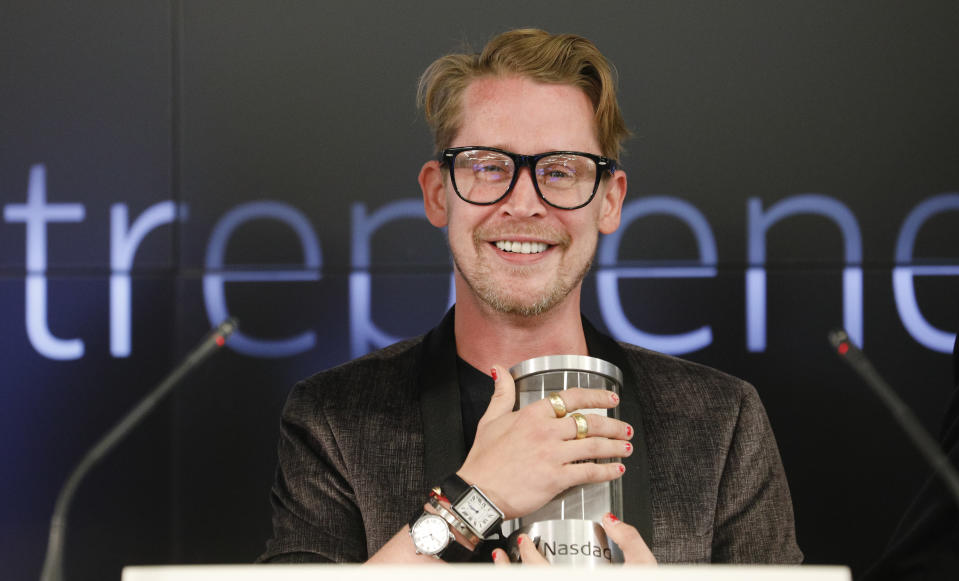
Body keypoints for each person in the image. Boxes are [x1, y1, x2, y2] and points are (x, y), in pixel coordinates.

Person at [258, 28, 802, 565]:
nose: (524, 204)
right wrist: (475, 498)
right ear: (437, 194)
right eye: (489, 166)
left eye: (560, 171)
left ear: (609, 202)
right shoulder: (334, 419)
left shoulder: (720, 423)